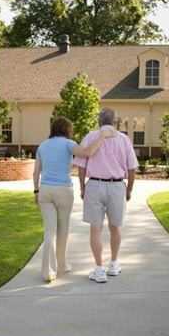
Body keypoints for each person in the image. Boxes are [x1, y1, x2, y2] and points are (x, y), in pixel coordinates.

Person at [33, 117, 114, 283]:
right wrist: (102, 137)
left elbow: (36, 172)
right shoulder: (69, 144)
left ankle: (47, 271)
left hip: (45, 191)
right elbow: (87, 152)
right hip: (64, 190)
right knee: (63, 230)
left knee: (49, 231)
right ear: (67, 130)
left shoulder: (42, 145)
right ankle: (61, 266)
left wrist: (36, 191)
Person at [73, 108, 138, 283]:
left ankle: (99, 269)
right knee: (115, 227)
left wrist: (82, 187)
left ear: (99, 121)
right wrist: (129, 189)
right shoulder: (124, 140)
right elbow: (132, 168)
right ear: (115, 121)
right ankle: (114, 264)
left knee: (95, 229)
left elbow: (81, 165)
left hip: (94, 185)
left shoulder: (90, 137)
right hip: (117, 186)